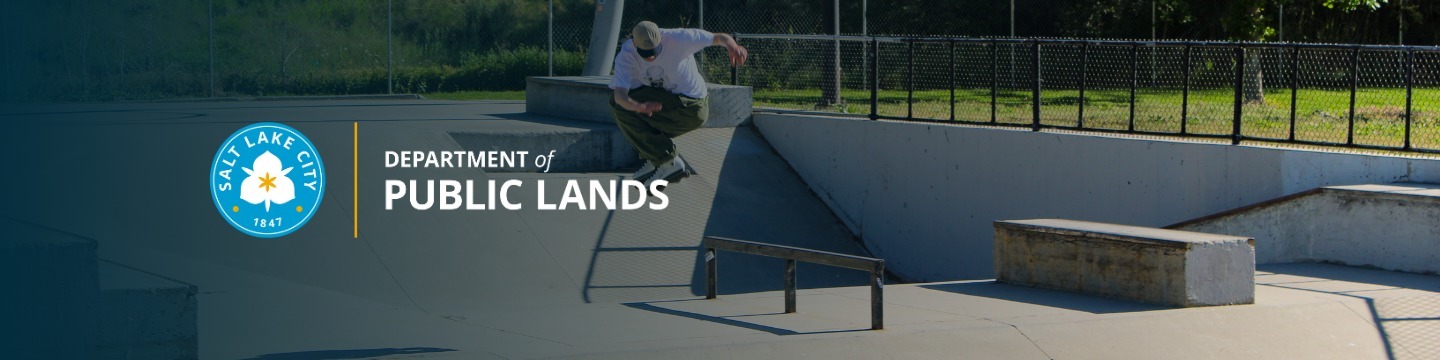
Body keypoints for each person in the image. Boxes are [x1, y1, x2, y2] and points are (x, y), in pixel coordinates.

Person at [609, 21, 748, 189]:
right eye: (645, 54)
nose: (651, 57)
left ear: (661, 39)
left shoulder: (679, 38)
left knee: (627, 107)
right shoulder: (626, 55)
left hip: (692, 106)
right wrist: (638, 107)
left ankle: (666, 160)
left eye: (654, 51)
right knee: (622, 104)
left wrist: (733, 46)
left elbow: (719, 37)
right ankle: (656, 158)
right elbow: (620, 95)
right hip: (670, 103)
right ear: (633, 43)